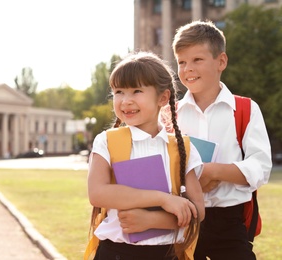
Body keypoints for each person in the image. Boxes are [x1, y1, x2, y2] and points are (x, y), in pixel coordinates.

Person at [87, 51, 205, 260]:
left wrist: (153, 220)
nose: (126, 101)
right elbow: (97, 193)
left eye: (136, 91)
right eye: (119, 92)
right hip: (115, 252)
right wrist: (163, 199)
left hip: (167, 254)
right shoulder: (106, 141)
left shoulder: (183, 147)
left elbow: (198, 211)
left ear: (163, 97)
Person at [171, 20, 272, 259]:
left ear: (221, 62)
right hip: (183, 220)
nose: (188, 69)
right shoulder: (170, 114)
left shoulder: (245, 109)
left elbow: (261, 167)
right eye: (181, 62)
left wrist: (213, 171)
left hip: (230, 222)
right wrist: (193, 184)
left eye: (197, 60)